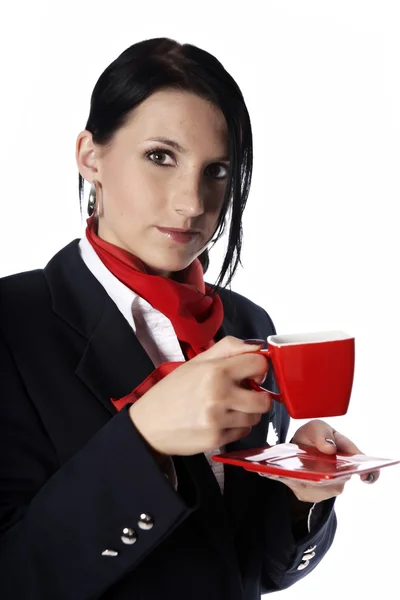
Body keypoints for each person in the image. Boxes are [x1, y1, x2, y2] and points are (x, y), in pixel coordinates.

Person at [0, 37, 378, 600]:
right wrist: (143, 439)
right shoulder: (11, 324)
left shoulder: (246, 322)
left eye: (217, 170)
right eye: (160, 156)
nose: (193, 203)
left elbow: (251, 569)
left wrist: (302, 495)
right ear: (90, 156)